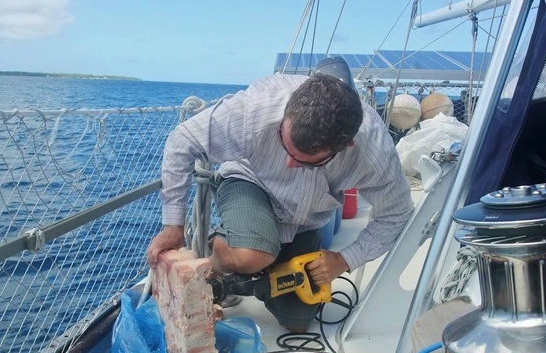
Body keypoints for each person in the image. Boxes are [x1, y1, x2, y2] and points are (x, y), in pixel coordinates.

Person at [146, 72, 413, 331]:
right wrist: (173, 226)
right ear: (287, 113)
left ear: (345, 147)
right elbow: (182, 141)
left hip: (304, 217)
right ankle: (221, 253)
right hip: (250, 180)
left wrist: (343, 260)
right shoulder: (258, 108)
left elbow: (396, 214)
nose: (288, 163)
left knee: (296, 321)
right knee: (255, 254)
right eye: (284, 145)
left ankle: (257, 249)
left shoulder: (375, 154)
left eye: (306, 162)